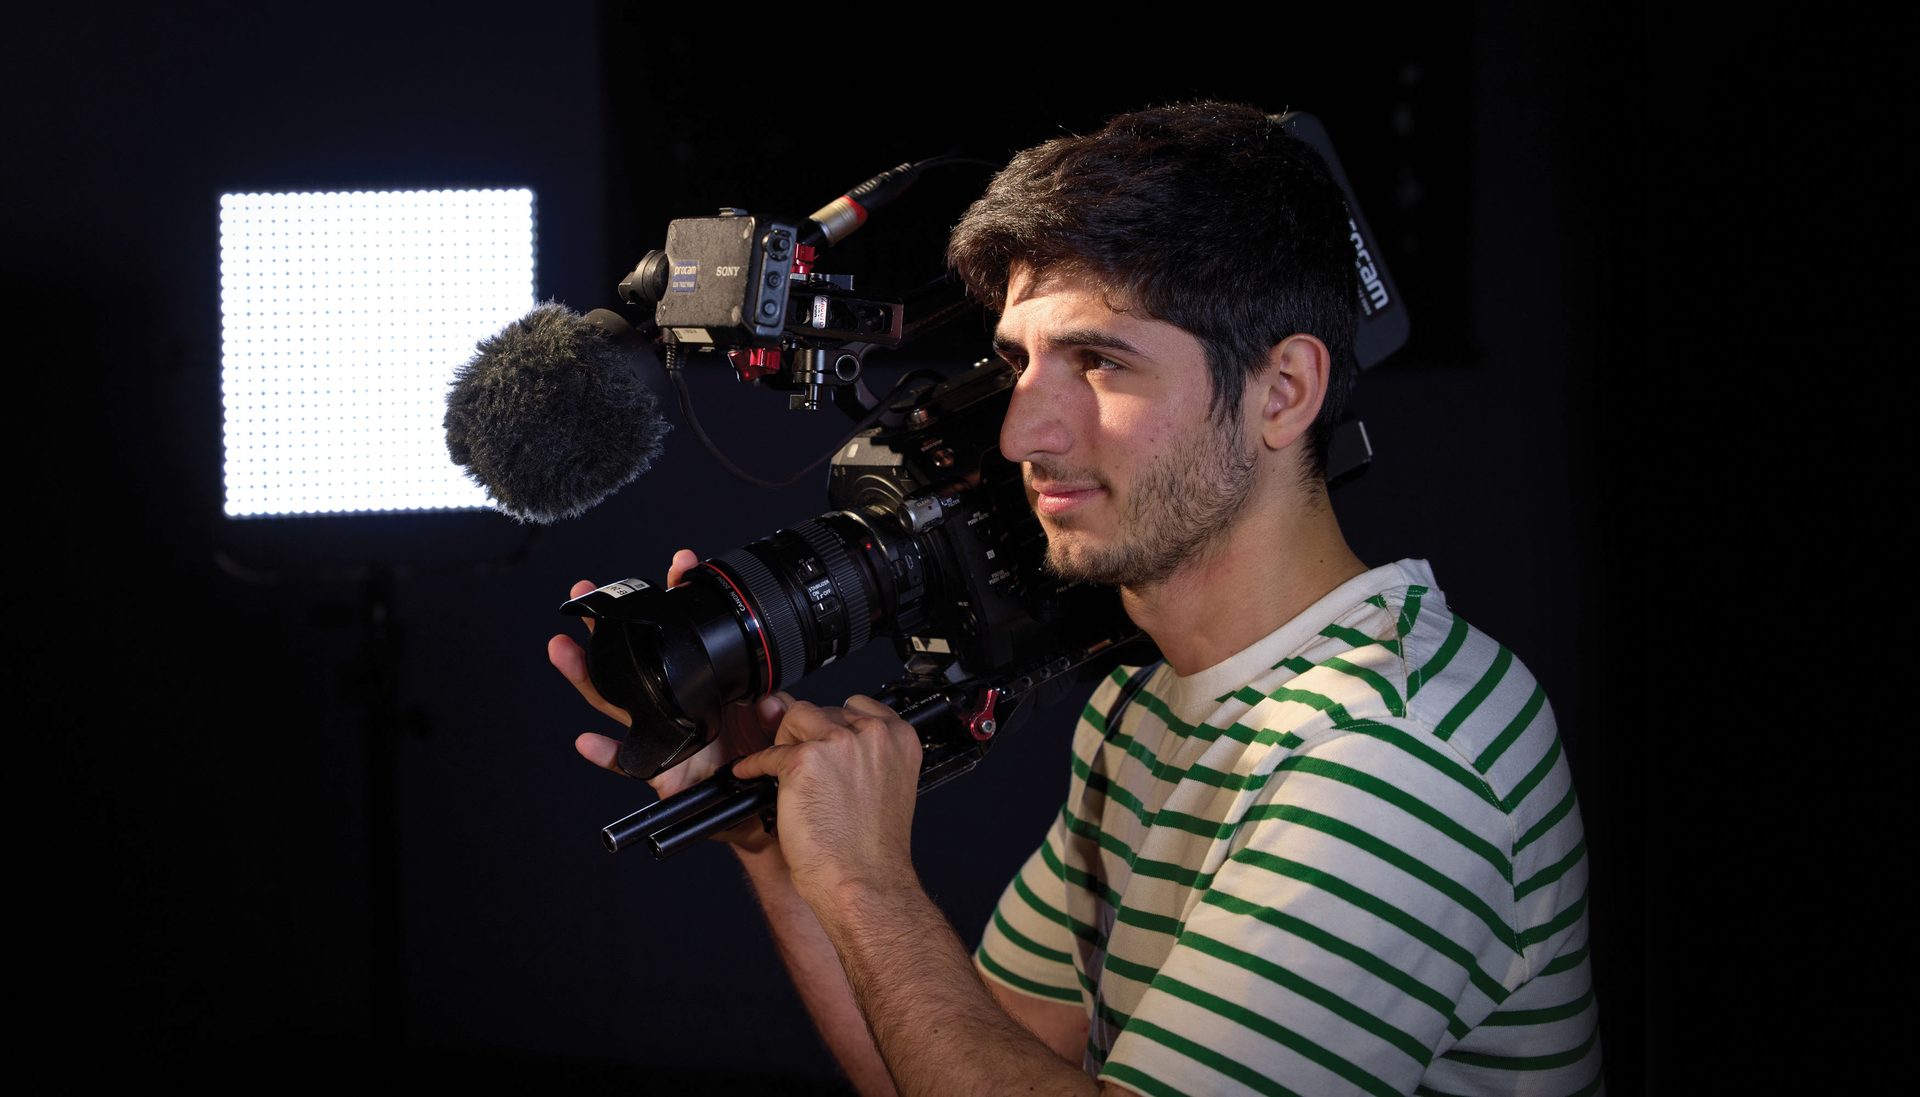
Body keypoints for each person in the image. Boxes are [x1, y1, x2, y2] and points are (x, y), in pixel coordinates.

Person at [550, 101, 1600, 1096]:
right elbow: (944, 1058)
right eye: (1019, 362)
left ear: (1285, 392)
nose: (1019, 434)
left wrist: (872, 888)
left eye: (1101, 361)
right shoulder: (1147, 696)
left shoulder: (1392, 756)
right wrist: (787, 846)